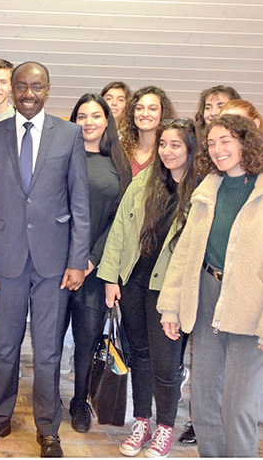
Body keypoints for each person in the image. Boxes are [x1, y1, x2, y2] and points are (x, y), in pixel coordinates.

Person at [157, 114, 263, 457]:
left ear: (247, 142)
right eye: (211, 143)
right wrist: (171, 304)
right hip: (207, 301)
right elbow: (185, 253)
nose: (217, 149)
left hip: (253, 311)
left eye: (226, 140)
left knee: (239, 409)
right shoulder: (209, 188)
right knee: (205, 406)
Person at [0, 61, 91, 458]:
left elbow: (79, 202)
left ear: (48, 90)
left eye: (35, 87)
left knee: (48, 352)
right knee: (4, 347)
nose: (27, 93)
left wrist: (77, 260)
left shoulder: (69, 134)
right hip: (4, 261)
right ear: (12, 89)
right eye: (20, 86)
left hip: (54, 263)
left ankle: (47, 429)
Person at [97, 118, 202, 457]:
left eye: (176, 145)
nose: (167, 151)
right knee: (138, 355)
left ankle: (166, 427)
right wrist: (111, 278)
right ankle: (141, 420)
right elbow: (119, 232)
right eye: (163, 144)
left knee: (166, 363)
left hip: (169, 290)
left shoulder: (201, 190)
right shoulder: (144, 180)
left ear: (190, 148)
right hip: (134, 281)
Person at [63, 93, 131, 434]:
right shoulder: (61, 156)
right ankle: (47, 399)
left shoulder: (118, 164)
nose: (88, 122)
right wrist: (69, 259)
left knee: (86, 342)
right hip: (57, 268)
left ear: (107, 121)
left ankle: (79, 402)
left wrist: (91, 259)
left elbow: (120, 221)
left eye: (95, 116)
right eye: (81, 116)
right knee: (49, 341)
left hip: (95, 269)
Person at [122, 86, 177, 177]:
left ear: (162, 113)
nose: (145, 114)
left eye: (152, 109)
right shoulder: (121, 150)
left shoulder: (169, 152)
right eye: (139, 108)